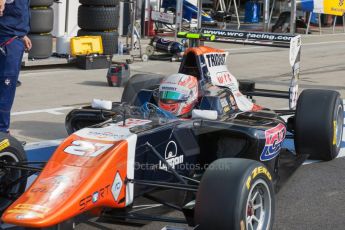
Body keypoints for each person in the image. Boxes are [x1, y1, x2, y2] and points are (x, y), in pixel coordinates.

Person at [0, 0, 32, 133]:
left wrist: (22, 34)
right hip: (6, 40)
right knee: (5, 88)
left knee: (7, 87)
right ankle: (1, 131)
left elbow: (18, 10)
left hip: (14, 37)